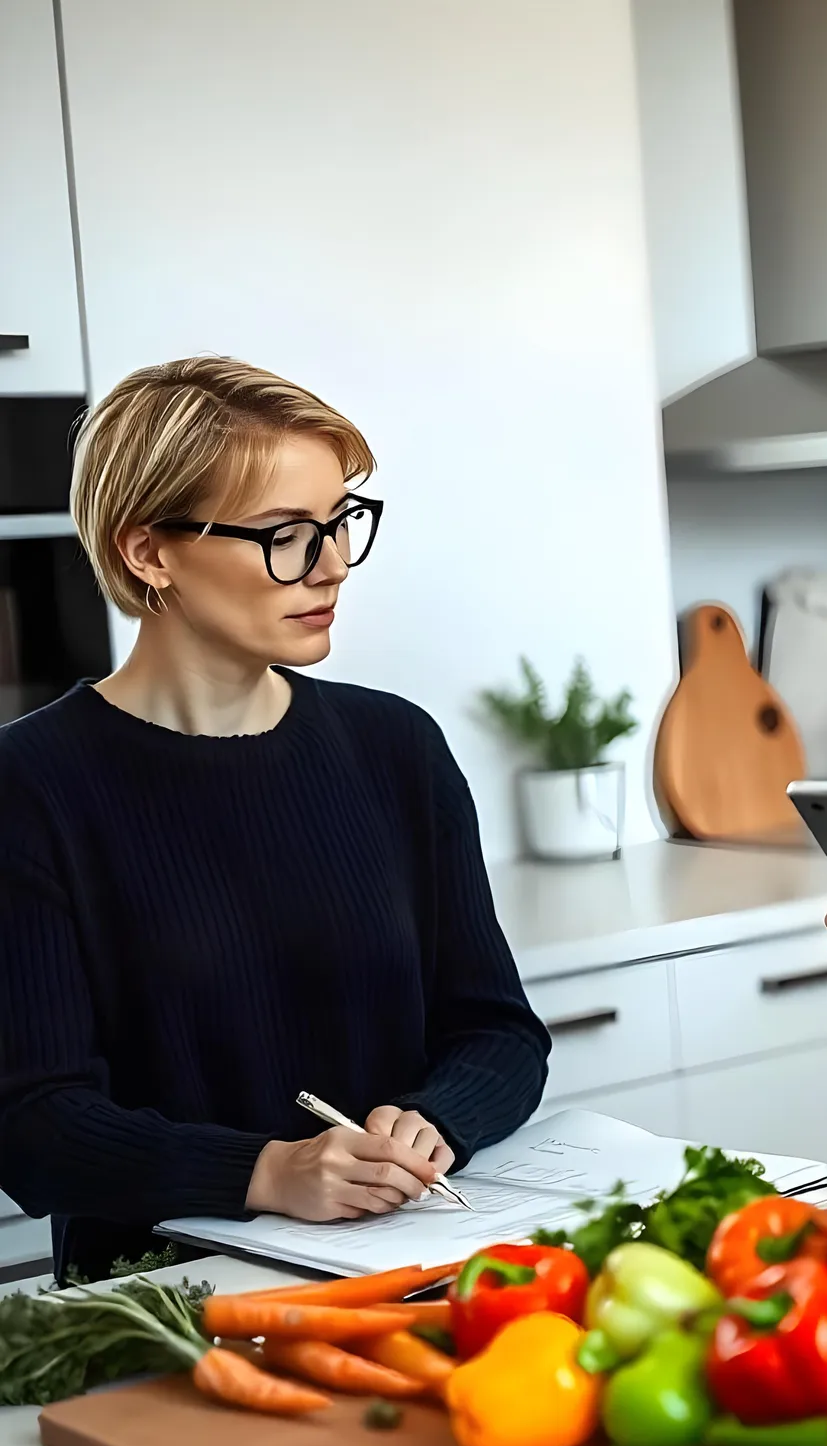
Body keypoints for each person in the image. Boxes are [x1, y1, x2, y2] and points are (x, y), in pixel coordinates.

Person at [0, 357, 550, 1280]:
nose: (330, 565)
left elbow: (498, 1031)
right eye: (286, 535)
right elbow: (31, 1123)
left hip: (414, 1272)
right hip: (168, 1302)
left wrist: (439, 1119)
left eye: (339, 523)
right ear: (149, 553)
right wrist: (265, 1172)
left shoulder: (396, 747)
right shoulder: (28, 786)